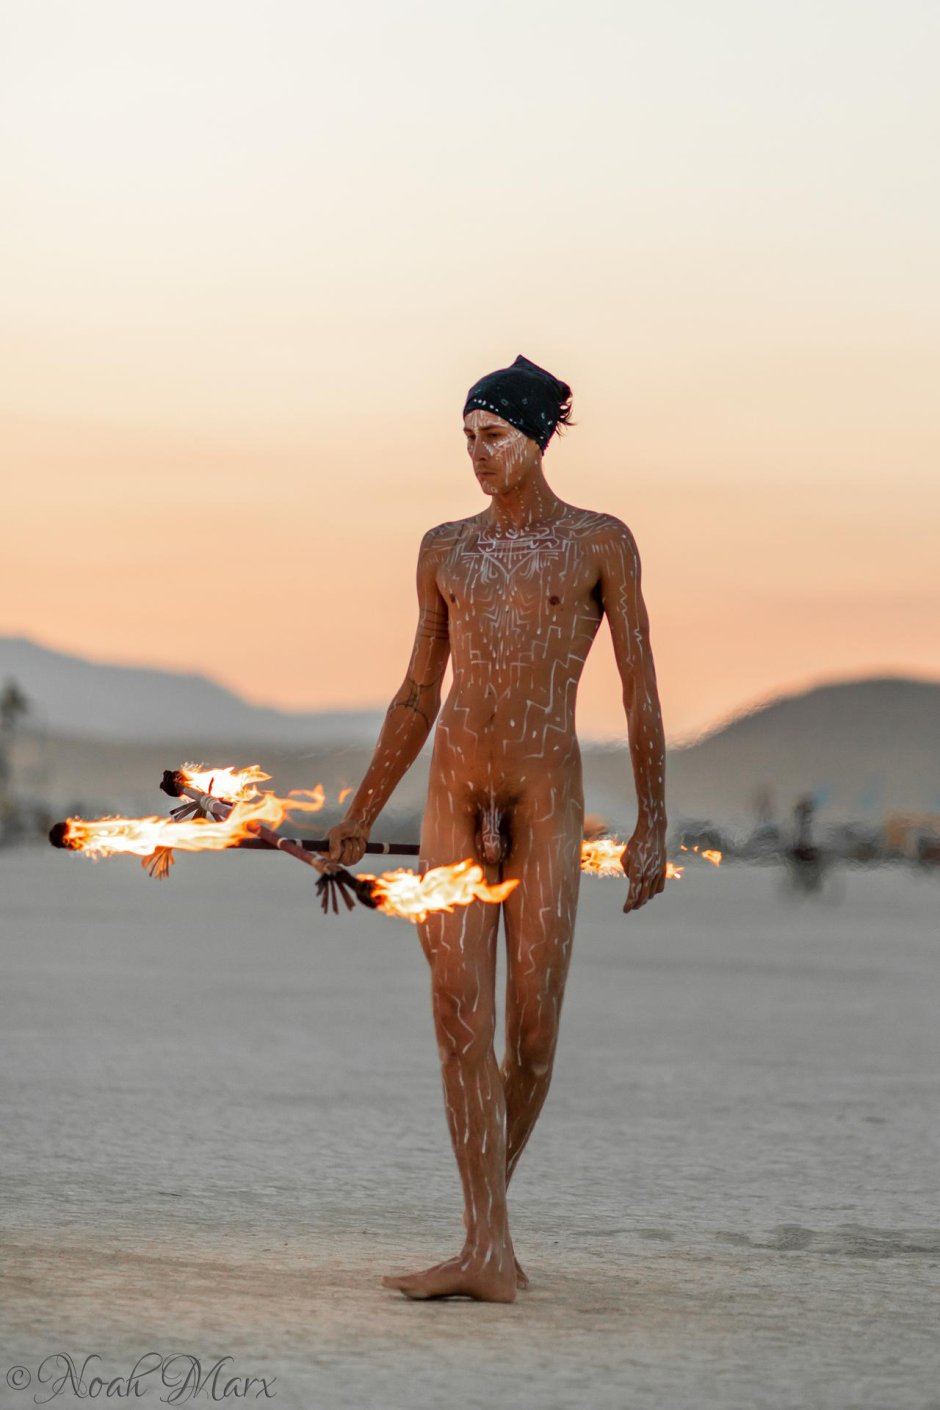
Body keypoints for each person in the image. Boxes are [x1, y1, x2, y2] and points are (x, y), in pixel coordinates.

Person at [327, 353, 667, 1302]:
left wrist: (653, 820)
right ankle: (487, 1249)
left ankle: (487, 1232)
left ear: (536, 436)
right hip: (453, 786)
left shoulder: (602, 541)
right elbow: (414, 693)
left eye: (494, 437)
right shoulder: (444, 548)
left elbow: (640, 691)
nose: (477, 455)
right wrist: (359, 814)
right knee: (455, 1015)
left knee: (533, 1029)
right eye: (467, 438)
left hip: (548, 792)